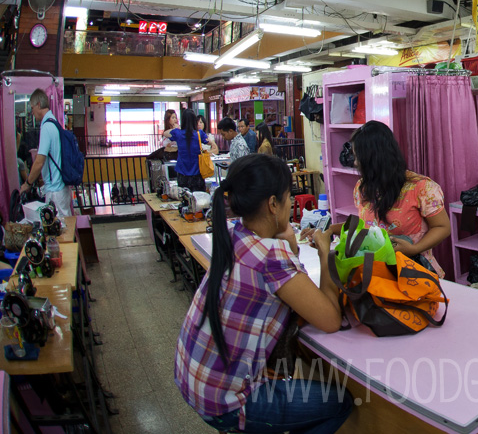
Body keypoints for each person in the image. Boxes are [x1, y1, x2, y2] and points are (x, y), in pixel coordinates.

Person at [174, 154, 353, 433]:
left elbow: (281, 284)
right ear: (273, 205)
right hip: (227, 402)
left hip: (194, 380)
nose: (292, 202)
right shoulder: (271, 256)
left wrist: (291, 249)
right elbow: (330, 319)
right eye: (287, 197)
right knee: (341, 403)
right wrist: (325, 253)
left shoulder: (237, 234)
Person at [303, 121, 452, 278]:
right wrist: (329, 231)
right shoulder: (363, 187)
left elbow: (442, 227)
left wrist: (414, 248)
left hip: (414, 272)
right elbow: (368, 227)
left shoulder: (421, 187)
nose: (354, 162)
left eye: (357, 156)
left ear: (373, 158)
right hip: (377, 274)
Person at [20, 89, 74, 216]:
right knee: (64, 229)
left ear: (39, 104)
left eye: (32, 108)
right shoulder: (54, 123)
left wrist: (27, 183)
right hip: (60, 188)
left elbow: (39, 161)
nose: (32, 112)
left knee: (60, 231)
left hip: (55, 191)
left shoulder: (46, 127)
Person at [163, 109, 219, 192]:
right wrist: (212, 143)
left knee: (185, 198)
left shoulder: (178, 133)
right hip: (197, 172)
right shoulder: (199, 133)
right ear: (194, 121)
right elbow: (210, 143)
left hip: (182, 172)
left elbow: (165, 133)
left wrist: (176, 128)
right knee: (199, 198)